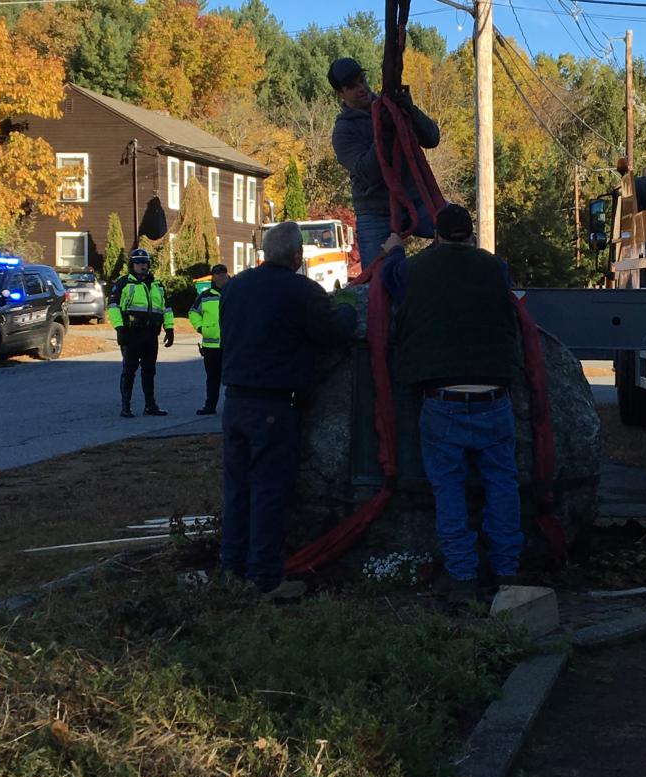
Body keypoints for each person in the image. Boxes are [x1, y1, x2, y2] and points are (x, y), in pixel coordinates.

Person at [381, 204, 523, 602]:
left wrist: (394, 248)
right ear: (472, 234)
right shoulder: (495, 268)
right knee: (502, 483)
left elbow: (392, 279)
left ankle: (462, 576)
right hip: (494, 396)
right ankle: (508, 571)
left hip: (441, 398)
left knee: (448, 489)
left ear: (438, 236)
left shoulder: (415, 270)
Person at [218, 221, 357, 600]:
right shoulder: (302, 291)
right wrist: (347, 309)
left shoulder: (235, 288)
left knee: (237, 489)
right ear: (298, 257)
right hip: (273, 406)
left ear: (263, 253)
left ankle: (230, 570)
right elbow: (332, 331)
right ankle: (264, 578)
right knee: (268, 490)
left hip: (235, 403)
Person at [329, 56, 441, 269]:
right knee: (376, 280)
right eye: (352, 86)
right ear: (340, 94)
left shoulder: (390, 105)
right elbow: (368, 172)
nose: (361, 88)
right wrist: (385, 132)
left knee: (458, 233)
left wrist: (411, 111)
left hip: (415, 200)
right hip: (376, 210)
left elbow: (432, 138)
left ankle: (423, 275)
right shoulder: (343, 132)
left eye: (362, 80)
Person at [108, 248, 174, 418]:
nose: (142, 266)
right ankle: (126, 406)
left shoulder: (157, 285)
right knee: (129, 370)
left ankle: (150, 405)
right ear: (132, 265)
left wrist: (170, 328)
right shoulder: (124, 283)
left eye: (144, 263)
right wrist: (120, 328)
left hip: (151, 334)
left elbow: (166, 308)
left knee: (149, 370)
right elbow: (113, 307)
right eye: (138, 263)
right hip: (131, 333)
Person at [189, 263, 228, 415]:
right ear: (213, 277)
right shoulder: (205, 296)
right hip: (210, 346)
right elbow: (193, 312)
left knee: (233, 378)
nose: (221, 277)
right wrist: (201, 328)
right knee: (212, 378)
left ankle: (234, 408)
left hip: (230, 344)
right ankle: (210, 406)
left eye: (223, 274)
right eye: (218, 274)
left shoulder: (233, 293)